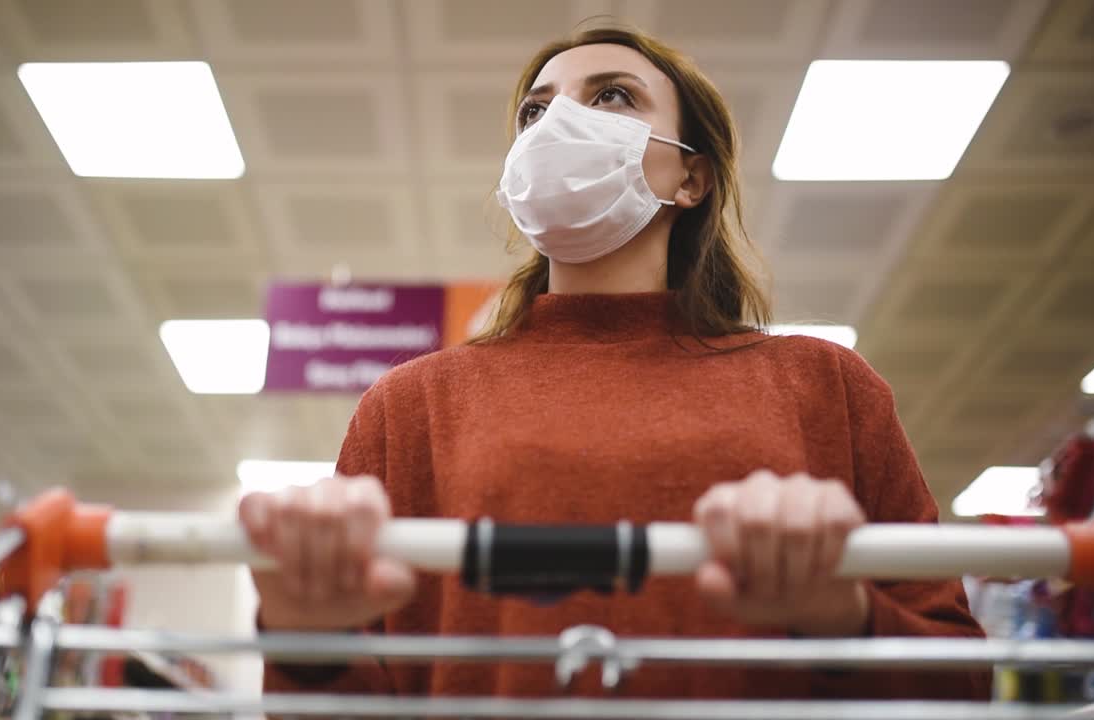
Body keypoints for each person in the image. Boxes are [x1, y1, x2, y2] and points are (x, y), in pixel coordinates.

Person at [240, 24, 990, 701]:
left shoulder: (823, 384)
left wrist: (843, 618)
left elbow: (959, 682)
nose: (560, 123)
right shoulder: (412, 404)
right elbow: (346, 694)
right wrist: (305, 640)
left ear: (691, 177)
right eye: (536, 112)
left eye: (612, 97)